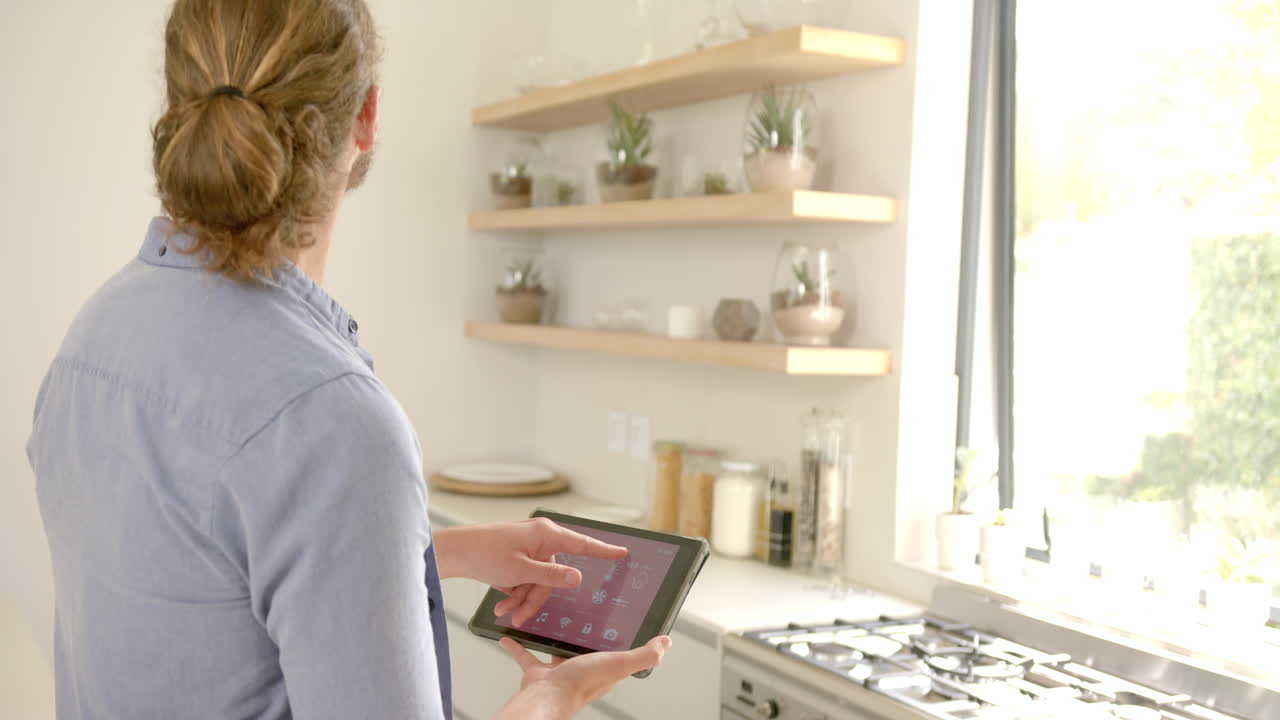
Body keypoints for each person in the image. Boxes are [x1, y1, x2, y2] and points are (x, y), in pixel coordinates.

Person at [23, 0, 669, 718]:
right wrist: (550, 698)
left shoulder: (94, 339)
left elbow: (197, 584)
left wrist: (431, 552)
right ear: (366, 116)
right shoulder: (332, 422)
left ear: (180, 107)